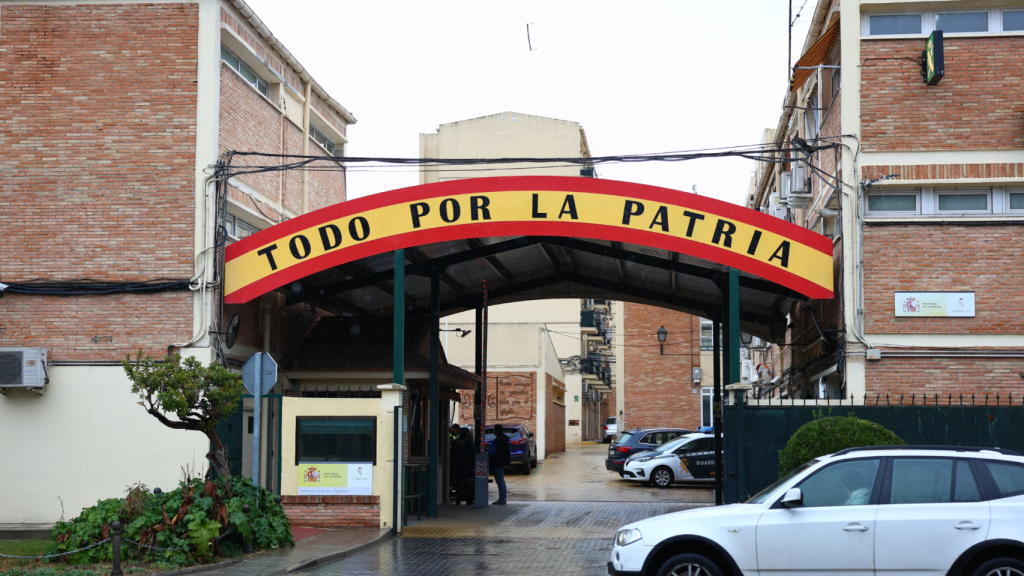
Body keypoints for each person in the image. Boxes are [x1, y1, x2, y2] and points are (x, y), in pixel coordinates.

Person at [490, 424, 511, 505]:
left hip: (497, 462)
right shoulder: (505, 438)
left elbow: (492, 451)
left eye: (494, 430)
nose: (493, 431)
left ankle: (501, 499)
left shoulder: (498, 440)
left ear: (497, 430)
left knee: (499, 480)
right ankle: (503, 498)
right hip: (502, 462)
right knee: (502, 480)